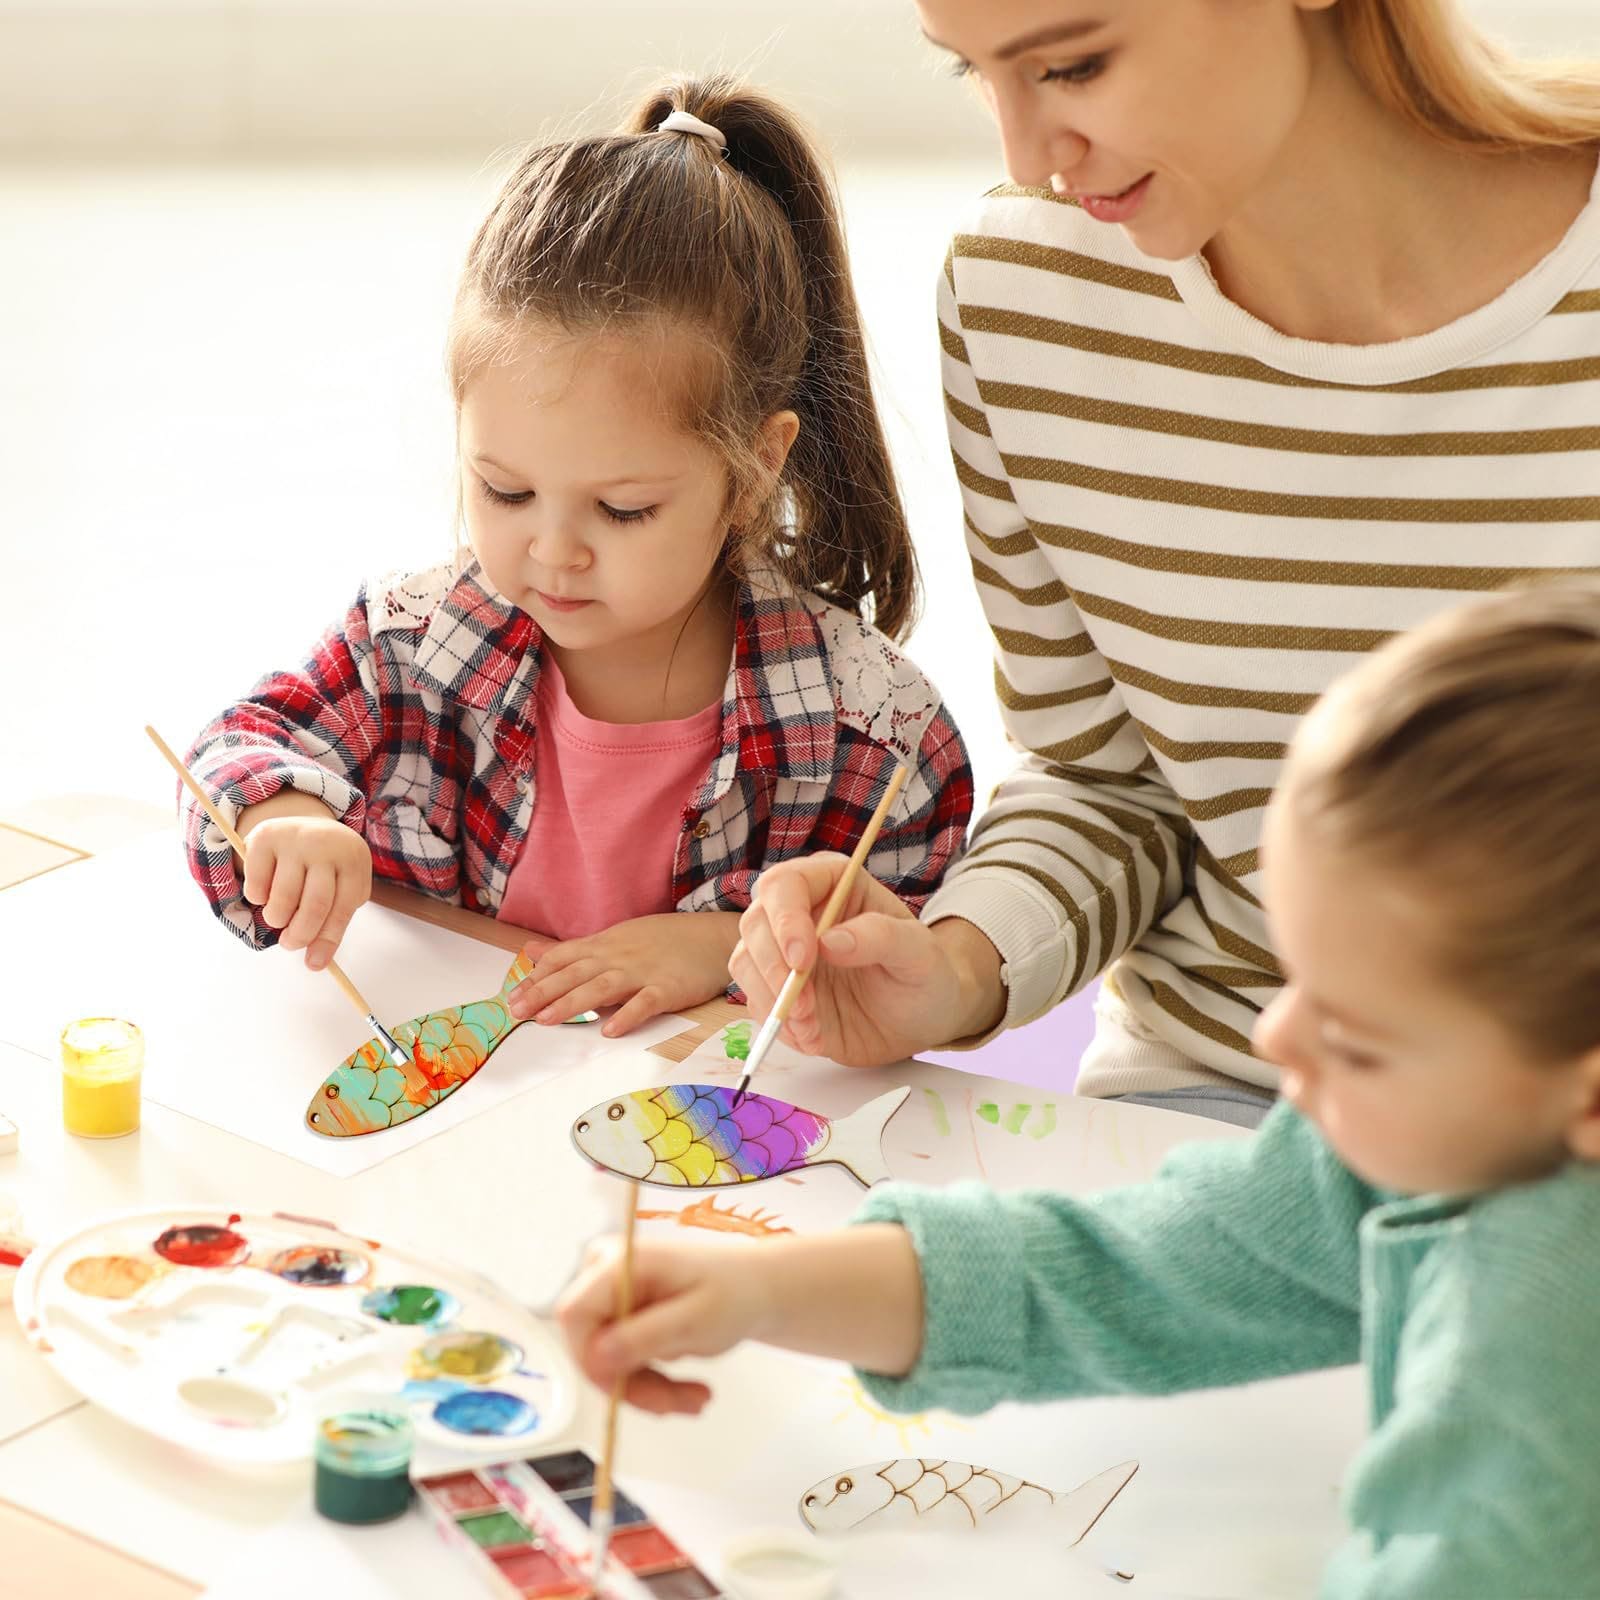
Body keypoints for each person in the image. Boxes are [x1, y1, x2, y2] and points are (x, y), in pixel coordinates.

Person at [561, 582, 1600, 1598]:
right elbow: (1125, 1271)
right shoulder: (1405, 1146)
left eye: (1355, 1034)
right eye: (1295, 979)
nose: (1275, 1036)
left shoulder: (1545, 1358)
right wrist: (763, 1290)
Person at [733, 0, 1600, 1123]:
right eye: (974, 74)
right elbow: (1109, 779)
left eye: (1074, 64)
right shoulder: (1027, 297)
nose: (1025, 154)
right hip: (1228, 1106)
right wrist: (952, 964)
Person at [177, 78, 972, 1037]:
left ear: (757, 469)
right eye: (504, 493)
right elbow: (237, 749)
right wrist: (282, 822)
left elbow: (919, 976)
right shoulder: (411, 648)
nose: (552, 552)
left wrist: (725, 947)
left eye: (623, 509)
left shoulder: (868, 733)